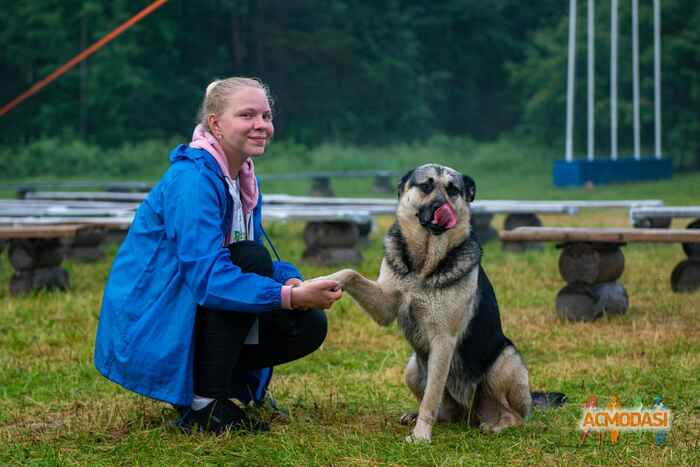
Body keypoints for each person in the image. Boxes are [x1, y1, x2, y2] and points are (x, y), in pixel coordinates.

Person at [94, 77, 342, 434]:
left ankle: (230, 388)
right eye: (247, 115)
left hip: (194, 305)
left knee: (306, 324)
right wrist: (287, 296)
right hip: (153, 318)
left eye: (266, 115)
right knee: (252, 262)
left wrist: (290, 280)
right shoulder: (193, 180)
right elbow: (209, 277)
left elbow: (251, 256)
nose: (261, 125)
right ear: (215, 124)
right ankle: (204, 405)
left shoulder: (241, 178)